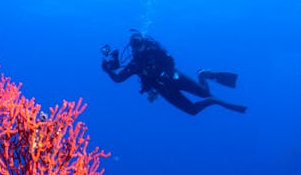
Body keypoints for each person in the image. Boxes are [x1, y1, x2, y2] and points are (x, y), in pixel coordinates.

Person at [101, 31, 247, 115]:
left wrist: (169, 73)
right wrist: (108, 71)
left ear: (144, 42)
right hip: (164, 89)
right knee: (193, 111)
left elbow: (170, 59)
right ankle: (213, 100)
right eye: (135, 46)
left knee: (204, 92)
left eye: (140, 44)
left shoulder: (155, 50)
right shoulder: (135, 64)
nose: (138, 48)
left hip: (175, 78)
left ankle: (203, 75)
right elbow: (119, 79)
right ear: (131, 47)